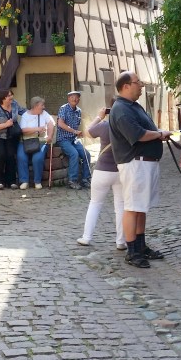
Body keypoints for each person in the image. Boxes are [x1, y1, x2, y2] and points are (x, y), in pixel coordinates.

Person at [109, 71, 171, 268]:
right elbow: (137, 135)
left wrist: (158, 134)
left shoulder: (132, 106)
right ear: (126, 86)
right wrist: (159, 134)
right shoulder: (121, 109)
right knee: (132, 207)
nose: (142, 86)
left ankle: (141, 246)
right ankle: (132, 251)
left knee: (141, 207)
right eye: (138, 82)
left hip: (144, 163)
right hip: (135, 164)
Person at [76, 102, 125, 250]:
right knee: (120, 206)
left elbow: (87, 132)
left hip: (102, 170)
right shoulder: (127, 127)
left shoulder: (104, 126)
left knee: (95, 204)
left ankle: (86, 237)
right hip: (120, 170)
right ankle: (121, 241)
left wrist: (99, 117)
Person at [0, 90, 24, 190]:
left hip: (11, 135)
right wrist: (5, 124)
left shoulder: (14, 104)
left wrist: (36, 112)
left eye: (12, 95)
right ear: (3, 98)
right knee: (1, 154)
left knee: (11, 155)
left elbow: (24, 111)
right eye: (9, 96)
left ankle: (11, 181)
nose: (11, 97)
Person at [17, 96, 55, 190]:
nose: (44, 107)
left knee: (37, 158)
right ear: (35, 106)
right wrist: (37, 129)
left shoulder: (44, 114)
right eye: (42, 105)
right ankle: (24, 181)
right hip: (25, 141)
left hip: (40, 140)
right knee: (21, 157)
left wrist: (50, 136)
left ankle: (37, 181)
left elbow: (51, 123)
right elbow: (23, 130)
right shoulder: (25, 115)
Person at [57, 90, 91, 190]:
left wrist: (79, 133)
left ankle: (85, 179)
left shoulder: (79, 110)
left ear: (79, 99)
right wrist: (74, 131)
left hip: (74, 139)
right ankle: (72, 180)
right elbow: (60, 124)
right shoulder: (63, 108)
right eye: (72, 97)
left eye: (76, 97)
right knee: (74, 154)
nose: (74, 99)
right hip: (63, 139)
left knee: (87, 154)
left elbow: (77, 125)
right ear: (68, 99)